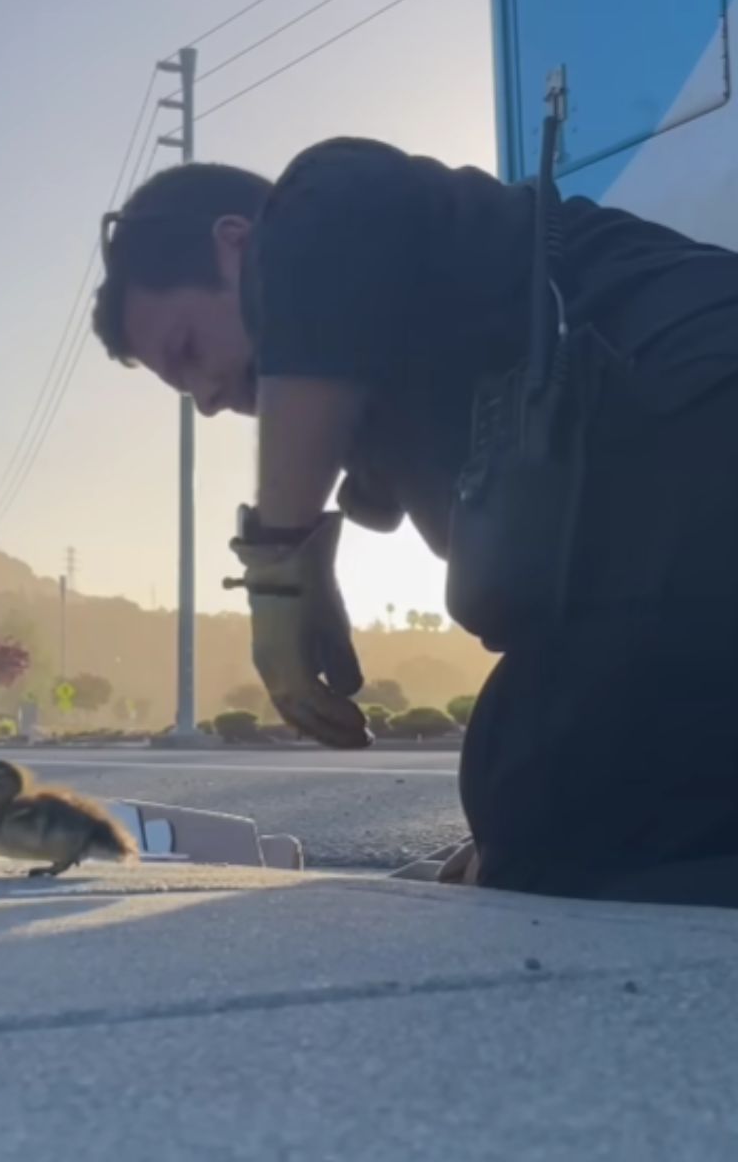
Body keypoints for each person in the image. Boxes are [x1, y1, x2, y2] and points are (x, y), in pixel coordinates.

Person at [92, 136, 738, 907]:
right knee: (530, 786)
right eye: (181, 387)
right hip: (680, 550)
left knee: (531, 792)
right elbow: (549, 608)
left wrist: (278, 566)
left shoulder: (322, 192)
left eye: (189, 351)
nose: (204, 396)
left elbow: (321, 243)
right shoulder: (406, 415)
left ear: (236, 245)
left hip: (707, 427)